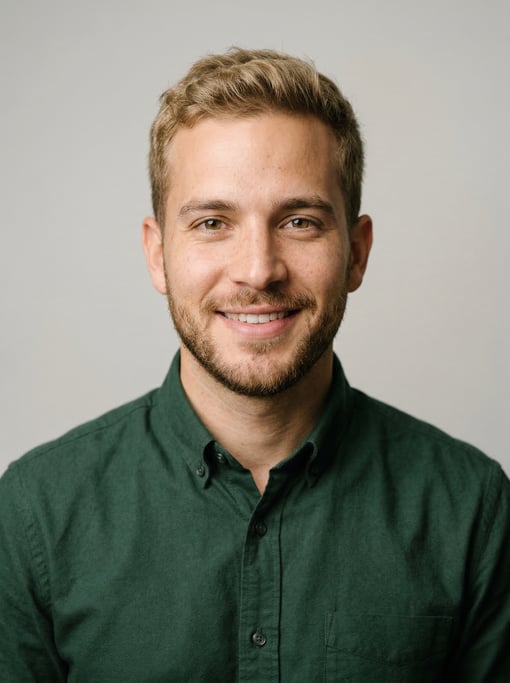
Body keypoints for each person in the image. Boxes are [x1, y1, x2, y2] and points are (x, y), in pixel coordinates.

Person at [1, 48, 509, 682]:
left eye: (299, 221)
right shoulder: (35, 515)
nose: (258, 269)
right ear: (158, 257)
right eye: (213, 222)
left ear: (356, 253)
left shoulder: (472, 509)